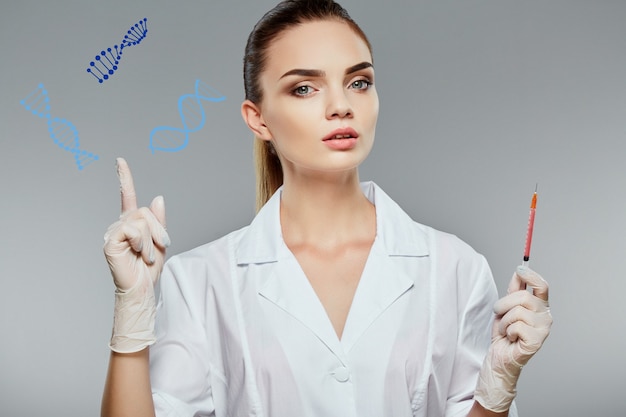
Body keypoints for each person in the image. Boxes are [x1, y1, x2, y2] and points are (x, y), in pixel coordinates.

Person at [101, 1, 552, 416]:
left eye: (359, 82)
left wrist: (498, 387)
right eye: (304, 88)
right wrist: (133, 312)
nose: (341, 106)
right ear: (258, 118)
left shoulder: (455, 269)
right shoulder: (200, 281)